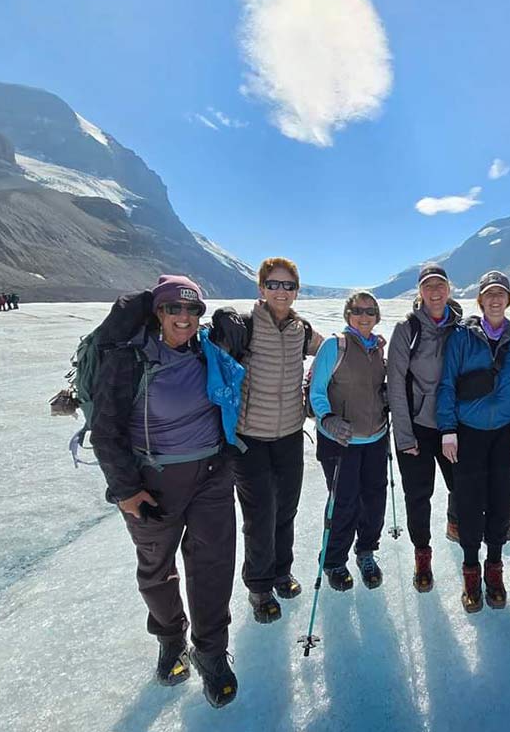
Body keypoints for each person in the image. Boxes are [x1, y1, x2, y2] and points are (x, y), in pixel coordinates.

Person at [90, 275, 239, 709]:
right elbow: (106, 431)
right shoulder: (129, 359)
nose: (184, 318)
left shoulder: (206, 353)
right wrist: (126, 490)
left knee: (213, 564)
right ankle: (171, 637)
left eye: (193, 310)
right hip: (152, 483)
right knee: (156, 568)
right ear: (158, 312)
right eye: (174, 308)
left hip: (211, 474)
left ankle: (210, 651)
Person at [210, 257, 323, 624]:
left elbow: (331, 348)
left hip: (290, 434)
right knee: (260, 514)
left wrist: (364, 340)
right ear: (261, 289)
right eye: (273, 284)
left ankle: (281, 572)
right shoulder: (244, 327)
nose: (281, 291)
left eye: (288, 285)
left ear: (296, 291)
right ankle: (259, 586)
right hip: (250, 439)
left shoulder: (300, 330)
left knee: (286, 509)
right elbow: (206, 357)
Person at [437, 271, 510, 612]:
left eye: (501, 294)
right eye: (489, 294)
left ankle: (494, 568)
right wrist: (447, 429)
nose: (495, 299)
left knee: (501, 499)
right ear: (480, 300)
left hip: (507, 432)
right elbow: (448, 384)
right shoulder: (461, 338)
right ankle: (471, 568)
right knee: (467, 501)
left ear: (509, 300)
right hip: (468, 432)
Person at [387, 264, 463, 592]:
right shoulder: (407, 329)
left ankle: (455, 521)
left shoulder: (461, 329)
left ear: (449, 289)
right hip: (417, 426)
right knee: (418, 495)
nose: (434, 292)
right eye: (428, 286)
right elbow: (395, 385)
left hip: (452, 426)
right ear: (420, 291)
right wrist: (404, 436)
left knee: (462, 486)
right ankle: (422, 554)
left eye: (440, 285)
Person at [309, 291, 390, 591]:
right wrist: (327, 418)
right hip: (339, 440)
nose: (364, 315)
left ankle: (366, 551)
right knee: (344, 502)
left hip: (375, 437)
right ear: (348, 315)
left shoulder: (377, 348)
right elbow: (317, 390)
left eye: (370, 311)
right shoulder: (335, 346)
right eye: (358, 310)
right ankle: (333, 560)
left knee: (374, 500)